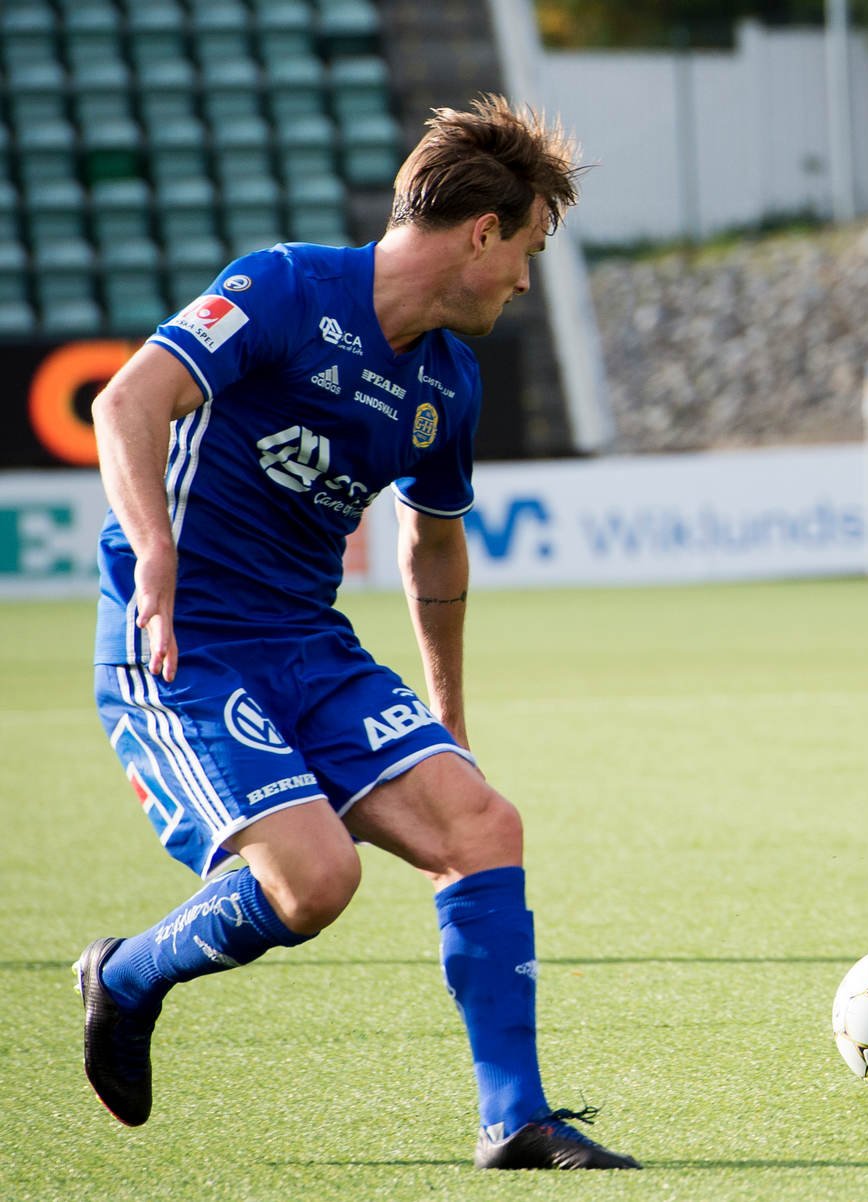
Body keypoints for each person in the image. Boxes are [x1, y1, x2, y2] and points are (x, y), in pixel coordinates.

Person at [75, 96, 639, 1169]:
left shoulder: (447, 382)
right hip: (182, 643)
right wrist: (153, 551)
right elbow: (126, 404)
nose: (525, 279)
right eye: (527, 248)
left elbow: (434, 546)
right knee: (317, 882)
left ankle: (513, 1119)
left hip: (308, 645)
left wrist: (450, 712)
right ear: (483, 230)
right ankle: (128, 974)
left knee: (481, 822)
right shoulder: (284, 287)